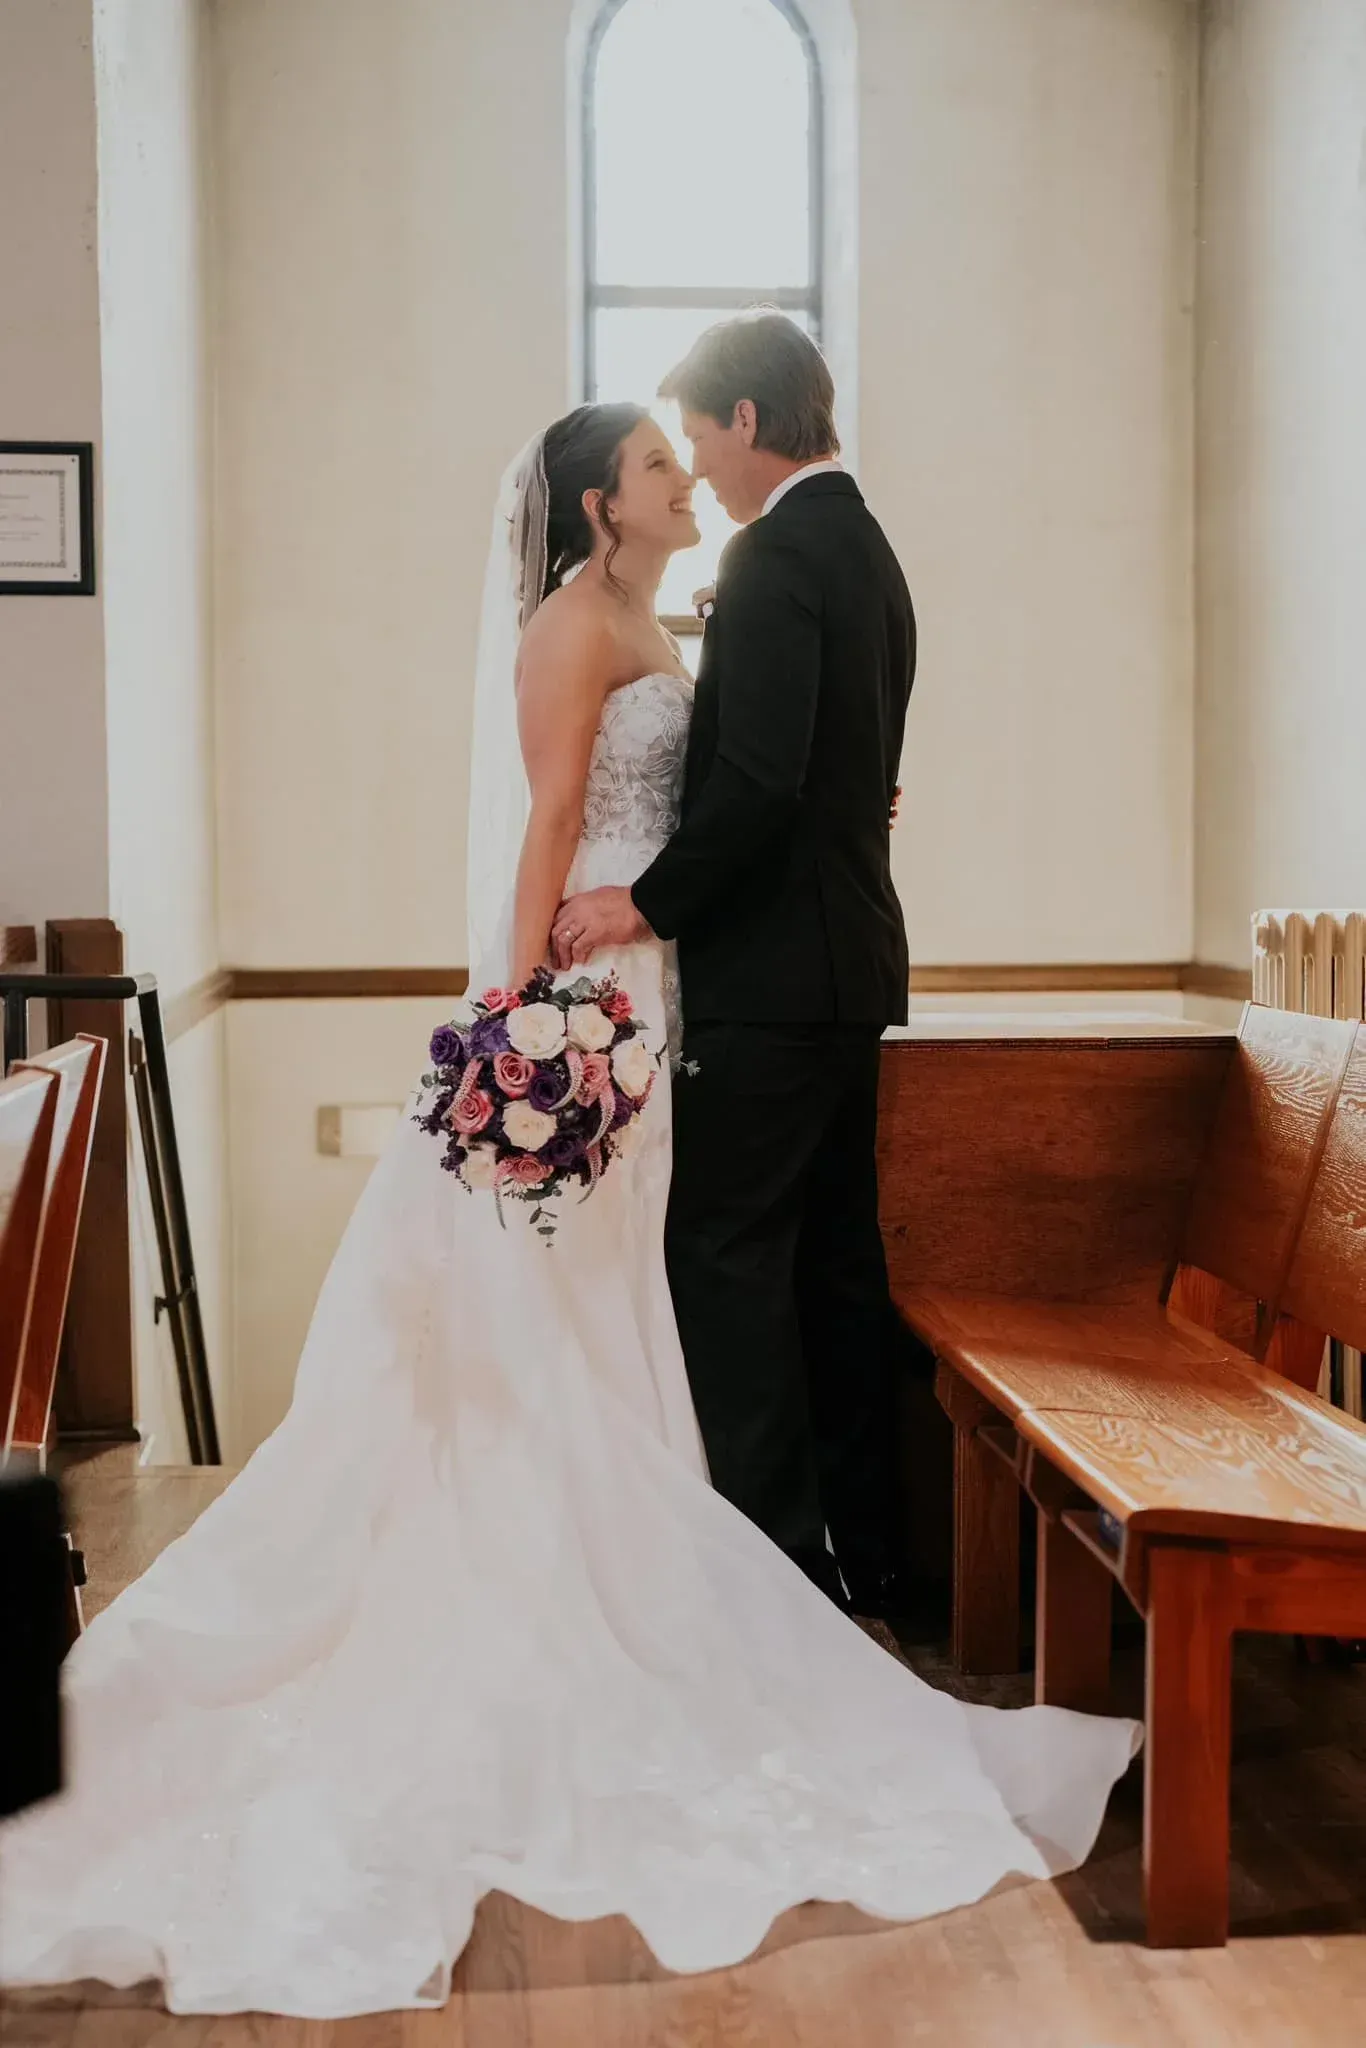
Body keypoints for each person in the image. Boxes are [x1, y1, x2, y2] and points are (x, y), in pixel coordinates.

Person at [0, 376, 1137, 2021]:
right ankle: (621, 1597)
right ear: (600, 502)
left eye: (688, 450)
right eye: (657, 464)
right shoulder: (567, 631)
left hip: (660, 992)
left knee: (646, 1298)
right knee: (587, 1302)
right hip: (598, 1003)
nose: (685, 478)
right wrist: (526, 1010)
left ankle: (691, 1589)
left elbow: (728, 791)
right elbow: (550, 819)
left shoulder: (657, 613)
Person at [556, 312, 914, 1614]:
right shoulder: (866, 547)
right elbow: (840, 774)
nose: (697, 466)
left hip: (768, 982)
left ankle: (770, 1572)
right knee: (832, 1260)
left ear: (746, 422)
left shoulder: (775, 558)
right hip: (852, 973)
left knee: (723, 1253)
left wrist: (639, 901)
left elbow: (760, 783)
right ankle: (871, 1555)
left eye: (699, 434)